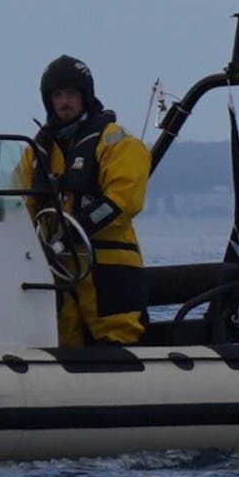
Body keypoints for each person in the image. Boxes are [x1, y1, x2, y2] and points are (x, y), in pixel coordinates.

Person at [12, 55, 151, 347]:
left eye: (71, 94)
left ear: (85, 96)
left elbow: (124, 199)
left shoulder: (118, 143)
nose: (64, 102)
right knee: (62, 341)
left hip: (108, 268)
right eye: (58, 95)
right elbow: (21, 202)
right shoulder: (36, 152)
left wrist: (78, 228)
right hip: (58, 269)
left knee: (118, 340)